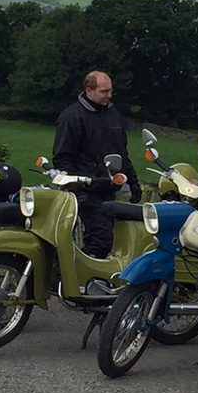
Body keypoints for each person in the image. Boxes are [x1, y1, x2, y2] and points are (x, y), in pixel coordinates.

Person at [53, 70, 142, 258]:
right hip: (86, 189)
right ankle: (84, 280)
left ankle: (98, 279)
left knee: (113, 239)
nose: (109, 96)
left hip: (109, 188)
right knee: (101, 239)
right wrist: (76, 190)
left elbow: (122, 153)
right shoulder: (72, 117)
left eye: (110, 91)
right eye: (104, 91)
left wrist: (133, 182)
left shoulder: (113, 114)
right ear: (89, 90)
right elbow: (62, 158)